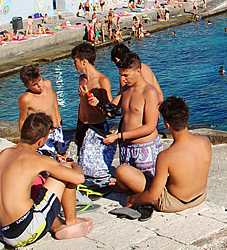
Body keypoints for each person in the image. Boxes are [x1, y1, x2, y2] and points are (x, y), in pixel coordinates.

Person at [0, 113, 93, 247]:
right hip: (26, 232)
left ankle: (58, 226)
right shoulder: (37, 159)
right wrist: (73, 164)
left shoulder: (3, 155)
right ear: (41, 141)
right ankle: (72, 221)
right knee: (65, 171)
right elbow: (78, 178)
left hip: (8, 234)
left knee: (31, 190)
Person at [125, 97, 211, 212]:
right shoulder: (205, 141)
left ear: (167, 125)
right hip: (200, 197)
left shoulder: (166, 156)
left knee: (123, 171)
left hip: (175, 202)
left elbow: (153, 196)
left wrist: (132, 199)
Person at [104, 53, 162, 191]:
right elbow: (112, 110)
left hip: (144, 147)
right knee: (129, 184)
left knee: (148, 187)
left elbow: (150, 126)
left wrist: (119, 136)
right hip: (126, 148)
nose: (123, 79)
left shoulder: (149, 92)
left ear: (138, 71)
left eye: (126, 75)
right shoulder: (125, 89)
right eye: (121, 75)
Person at [71, 42, 112, 156]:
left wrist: (88, 101)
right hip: (81, 124)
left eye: (75, 62)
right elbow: (81, 105)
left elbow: (108, 112)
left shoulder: (102, 81)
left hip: (96, 126)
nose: (74, 65)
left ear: (84, 61)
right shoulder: (81, 79)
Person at [18, 65, 66, 156]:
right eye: (34, 85)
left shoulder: (47, 84)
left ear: (40, 75)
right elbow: (22, 120)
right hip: (42, 136)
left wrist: (58, 116)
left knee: (63, 155)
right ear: (26, 85)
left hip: (57, 130)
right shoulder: (26, 99)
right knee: (49, 159)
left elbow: (54, 97)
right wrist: (24, 142)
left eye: (39, 80)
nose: (39, 85)